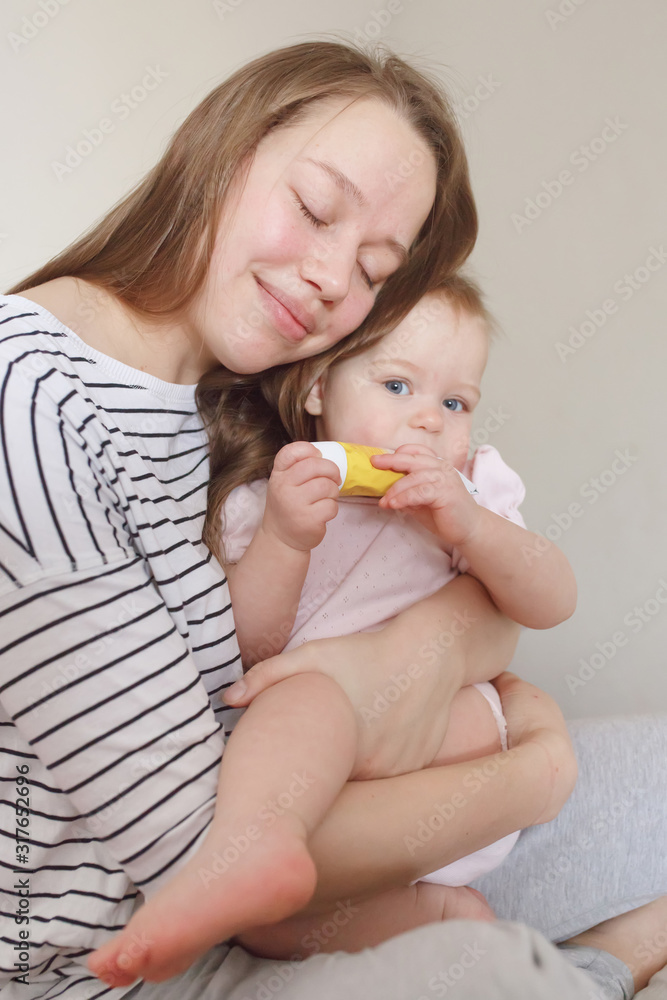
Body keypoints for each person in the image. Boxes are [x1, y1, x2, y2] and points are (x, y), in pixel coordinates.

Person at [0, 38, 665, 1000]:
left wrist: (417, 651)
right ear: (221, 151)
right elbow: (200, 852)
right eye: (315, 209)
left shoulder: (240, 392)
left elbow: (496, 602)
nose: (328, 278)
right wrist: (534, 772)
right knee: (499, 977)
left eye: (372, 269)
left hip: (347, 802)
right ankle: (603, 965)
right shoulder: (30, 411)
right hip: (139, 952)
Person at [87, 273, 579, 983]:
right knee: (266, 922)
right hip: (328, 784)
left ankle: (252, 843)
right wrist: (284, 540)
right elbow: (246, 650)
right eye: (397, 386)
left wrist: (474, 528)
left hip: (451, 736)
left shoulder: (470, 489)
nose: (428, 421)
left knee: (306, 693)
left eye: (455, 402)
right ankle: (445, 916)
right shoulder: (272, 497)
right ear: (319, 388)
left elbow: (552, 599)